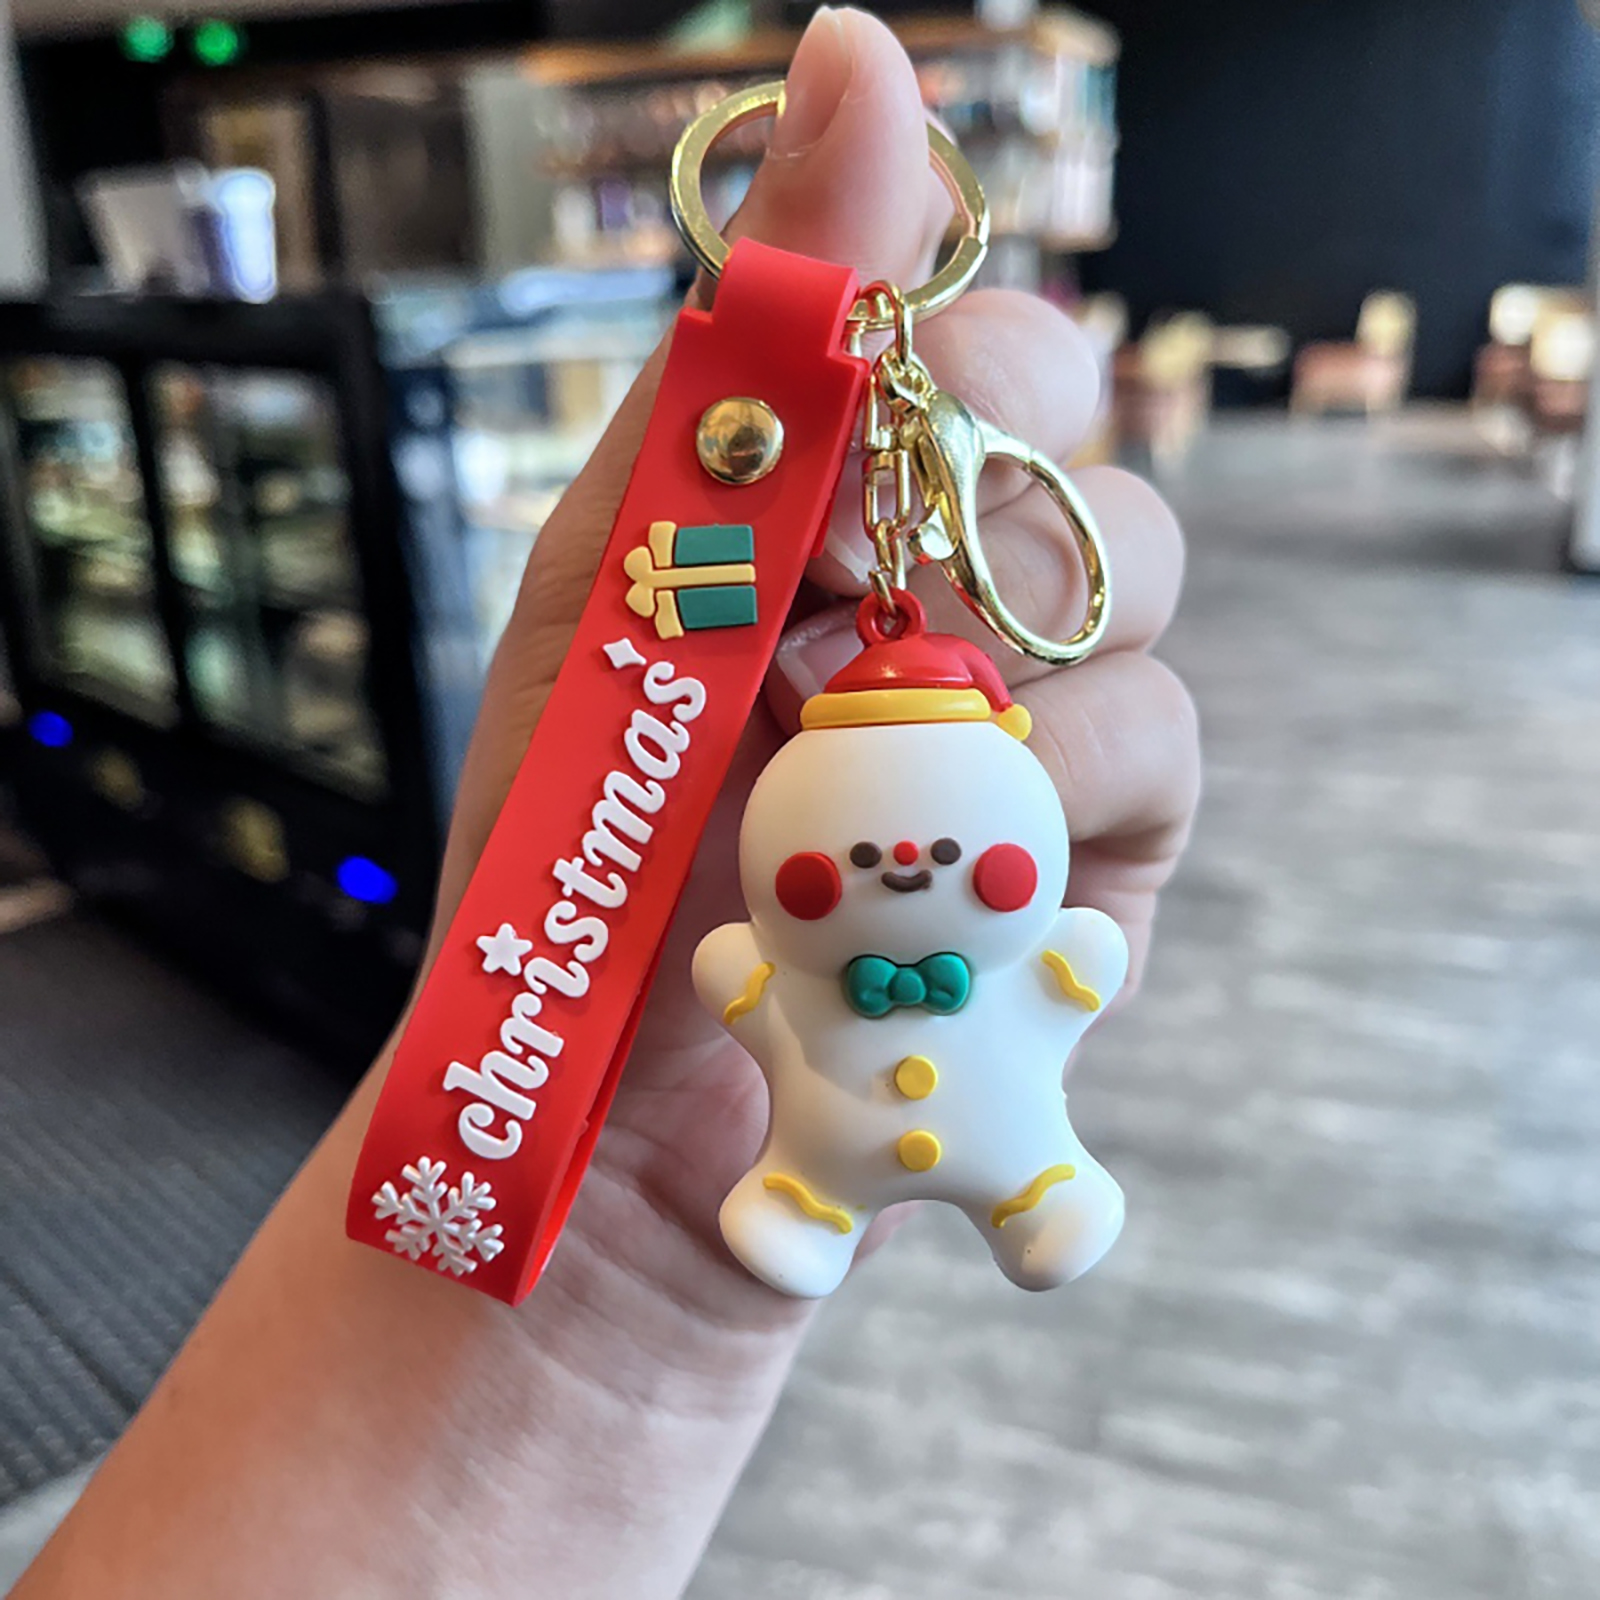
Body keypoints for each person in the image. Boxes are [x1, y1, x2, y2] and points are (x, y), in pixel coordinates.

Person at [14, 10, 1198, 1596]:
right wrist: (606, 1225)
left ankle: (1035, 1192)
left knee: (1031, 1174)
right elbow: (758, 984)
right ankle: (857, 1200)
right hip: (714, 1160)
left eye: (965, 860)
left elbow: (1052, 972)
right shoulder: (781, 947)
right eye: (854, 857)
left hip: (900, 1146)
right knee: (809, 1178)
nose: (909, 864)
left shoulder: (938, 914)